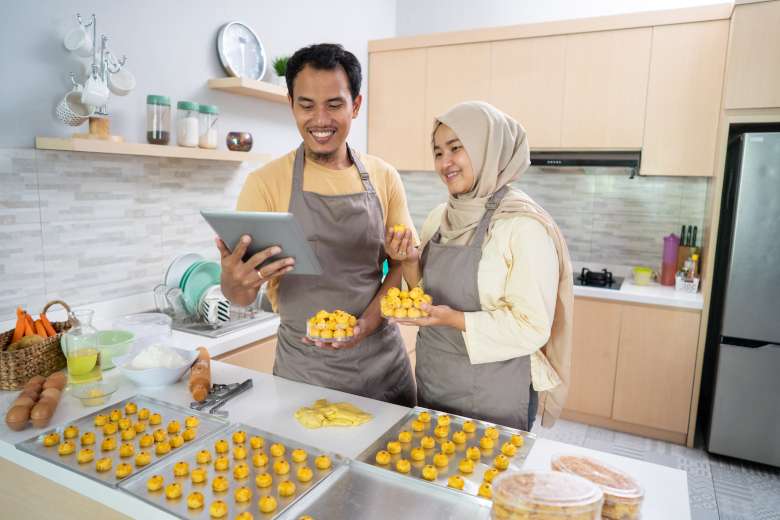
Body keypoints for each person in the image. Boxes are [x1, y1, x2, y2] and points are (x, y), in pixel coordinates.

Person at [218, 43, 417, 407]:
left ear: (355, 106)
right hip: (304, 374)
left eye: (334, 105)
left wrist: (366, 326)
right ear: (291, 104)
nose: (320, 119)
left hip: (383, 367)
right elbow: (242, 295)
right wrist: (232, 281)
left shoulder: (385, 177)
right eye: (306, 105)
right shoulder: (264, 184)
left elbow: (404, 265)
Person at [385, 101, 574, 430]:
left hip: (495, 392)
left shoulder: (523, 226)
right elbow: (424, 295)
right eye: (438, 152)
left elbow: (532, 327)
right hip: (434, 379)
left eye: (456, 148)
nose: (445, 162)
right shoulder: (439, 219)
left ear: (488, 149)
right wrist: (410, 261)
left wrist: (452, 319)